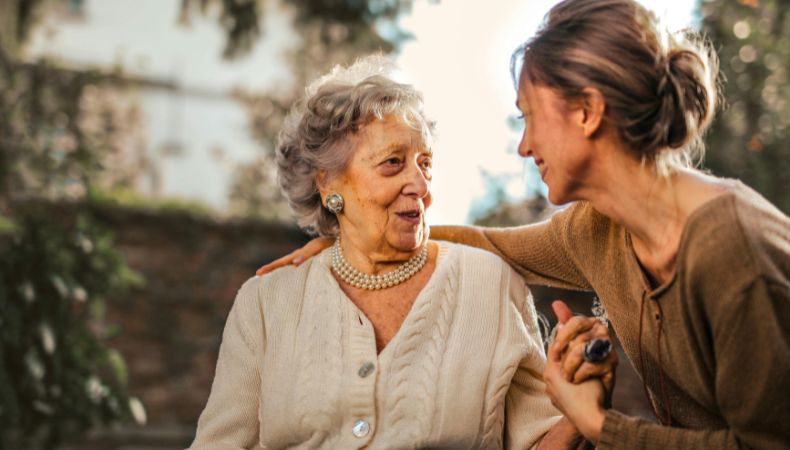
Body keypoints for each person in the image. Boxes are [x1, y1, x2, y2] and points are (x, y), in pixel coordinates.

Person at [256, 1, 790, 449]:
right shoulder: (595, 231)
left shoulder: (731, 250)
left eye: (529, 116)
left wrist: (598, 423)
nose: (524, 145)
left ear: (586, 112)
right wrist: (348, 242)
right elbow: (488, 243)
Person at [189, 56, 612, 450]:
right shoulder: (265, 303)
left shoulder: (490, 285)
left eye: (425, 163)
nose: (421, 185)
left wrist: (578, 417)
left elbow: (537, 441)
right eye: (393, 163)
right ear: (328, 184)